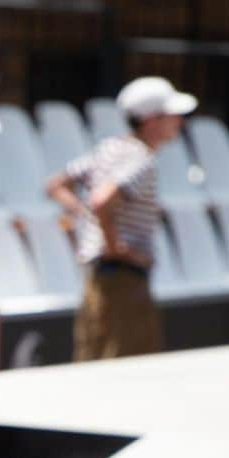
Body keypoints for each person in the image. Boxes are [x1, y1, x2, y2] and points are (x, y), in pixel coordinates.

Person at [46, 75, 197, 362]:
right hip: (122, 275)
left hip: (101, 274)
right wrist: (116, 245)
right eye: (173, 116)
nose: (180, 122)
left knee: (94, 358)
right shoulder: (139, 158)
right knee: (129, 365)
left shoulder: (109, 149)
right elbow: (102, 199)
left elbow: (56, 186)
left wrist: (86, 217)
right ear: (152, 120)